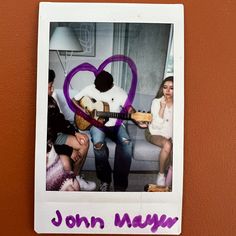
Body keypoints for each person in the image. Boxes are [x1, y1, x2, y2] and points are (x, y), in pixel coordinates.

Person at [73, 70, 146, 191]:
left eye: (103, 90)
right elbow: (74, 100)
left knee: (127, 144)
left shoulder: (120, 92)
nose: (99, 91)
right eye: (98, 88)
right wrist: (82, 110)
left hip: (116, 125)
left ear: (111, 85)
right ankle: (105, 180)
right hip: (97, 125)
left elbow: (130, 110)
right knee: (98, 144)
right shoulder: (90, 88)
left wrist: (138, 120)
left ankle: (120, 185)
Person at [48, 69, 96, 191]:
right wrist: (69, 151)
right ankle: (71, 181)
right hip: (50, 141)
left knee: (84, 141)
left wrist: (76, 132)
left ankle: (77, 177)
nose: (52, 89)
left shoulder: (51, 100)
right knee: (66, 165)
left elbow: (61, 121)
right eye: (50, 86)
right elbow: (48, 138)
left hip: (57, 135)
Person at [145, 76, 173, 187]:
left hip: (170, 135)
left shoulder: (179, 104)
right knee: (167, 145)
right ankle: (161, 174)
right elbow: (155, 126)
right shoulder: (156, 102)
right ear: (162, 89)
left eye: (172, 88)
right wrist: (162, 108)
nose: (167, 90)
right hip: (154, 133)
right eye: (165, 87)